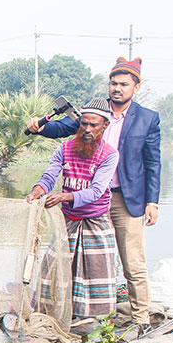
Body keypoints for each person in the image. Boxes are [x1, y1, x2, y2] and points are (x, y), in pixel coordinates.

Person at [27, 57, 161, 335]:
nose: (117, 88)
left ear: (136, 87)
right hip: (81, 199)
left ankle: (141, 320)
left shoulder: (146, 119)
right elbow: (60, 130)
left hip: (124, 197)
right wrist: (39, 128)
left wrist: (152, 201)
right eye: (114, 83)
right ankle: (71, 315)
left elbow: (152, 162)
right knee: (71, 260)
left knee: (131, 261)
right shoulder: (88, 114)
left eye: (124, 84)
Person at [27, 99, 120, 321]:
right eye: (83, 124)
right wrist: (37, 190)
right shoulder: (65, 148)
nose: (87, 130)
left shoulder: (109, 154)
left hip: (95, 222)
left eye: (93, 125)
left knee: (93, 276)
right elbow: (50, 176)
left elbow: (96, 191)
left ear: (104, 126)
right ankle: (51, 317)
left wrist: (65, 196)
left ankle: (90, 324)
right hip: (68, 220)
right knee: (53, 269)